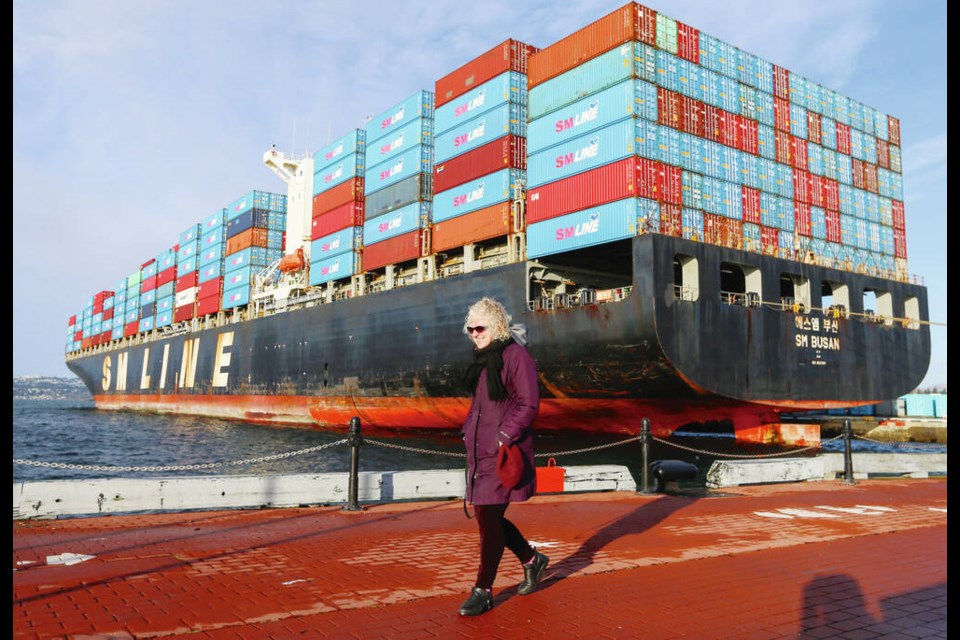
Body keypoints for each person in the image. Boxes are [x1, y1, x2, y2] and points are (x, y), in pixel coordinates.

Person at [457, 297, 549, 616]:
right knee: (489, 518)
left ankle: (483, 589)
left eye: (479, 327)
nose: (474, 333)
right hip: (480, 452)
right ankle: (532, 560)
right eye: (470, 328)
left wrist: (502, 436)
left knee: (489, 522)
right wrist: (468, 431)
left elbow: (529, 404)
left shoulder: (516, 356)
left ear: (496, 325)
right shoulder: (484, 360)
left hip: (503, 453)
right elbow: (478, 407)